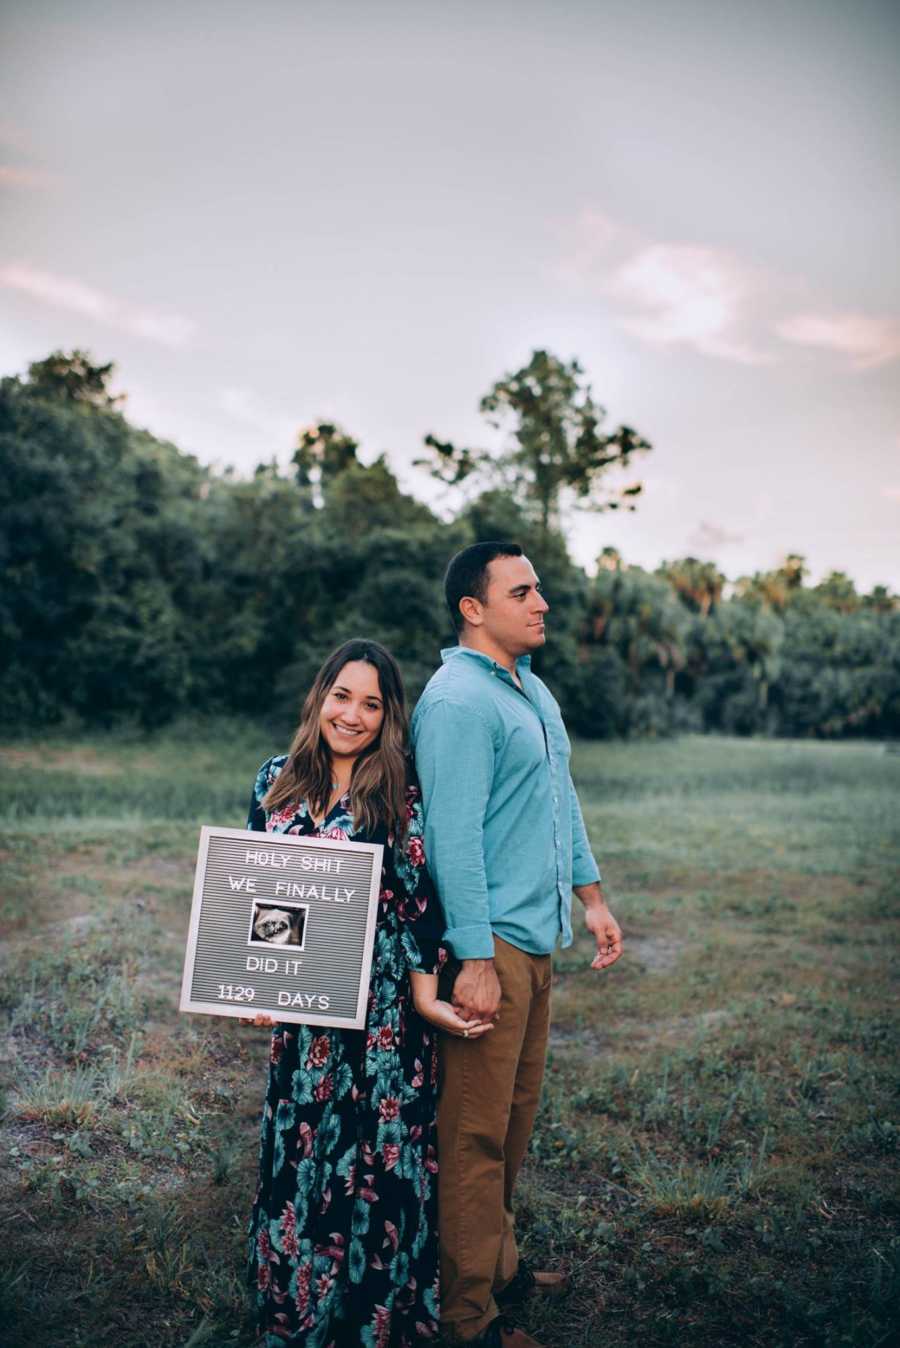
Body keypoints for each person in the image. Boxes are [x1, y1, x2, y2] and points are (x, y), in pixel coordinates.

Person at [244, 638, 493, 1348]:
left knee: (378, 1165)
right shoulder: (274, 780)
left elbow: (416, 900)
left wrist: (421, 993)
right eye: (342, 696)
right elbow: (260, 892)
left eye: (371, 704)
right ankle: (297, 1311)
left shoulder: (398, 790)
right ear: (320, 697)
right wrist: (260, 980)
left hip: (381, 1015)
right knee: (304, 1152)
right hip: (303, 1005)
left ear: (389, 718)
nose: (352, 715)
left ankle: (374, 1321)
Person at [411, 543, 624, 1348]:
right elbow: (452, 838)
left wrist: (591, 898)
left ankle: (497, 1263)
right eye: (522, 590)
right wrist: (471, 959)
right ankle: (469, 1321)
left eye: (539, 589)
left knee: (515, 1120)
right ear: (474, 607)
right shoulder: (459, 701)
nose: (542, 603)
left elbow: (559, 800)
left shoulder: (530, 691)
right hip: (489, 946)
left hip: (539, 943)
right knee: (472, 1134)